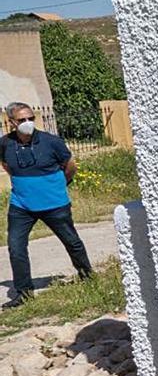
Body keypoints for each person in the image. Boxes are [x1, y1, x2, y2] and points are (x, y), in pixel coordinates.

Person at [1, 102, 92, 308]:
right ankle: (23, 292)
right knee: (16, 247)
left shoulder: (52, 142)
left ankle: (87, 276)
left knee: (71, 240)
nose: (27, 123)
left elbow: (70, 166)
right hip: (21, 205)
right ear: (11, 122)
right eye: (22, 120)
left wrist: (60, 185)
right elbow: (6, 165)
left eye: (30, 119)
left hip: (54, 203)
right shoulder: (5, 144)